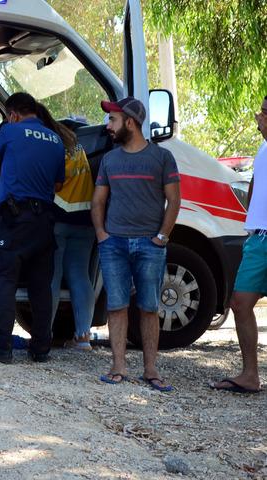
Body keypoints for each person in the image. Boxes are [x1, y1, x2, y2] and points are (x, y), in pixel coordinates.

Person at [91, 97, 181, 392]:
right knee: (116, 306)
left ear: (130, 123)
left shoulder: (162, 158)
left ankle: (151, 370)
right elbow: (98, 201)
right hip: (113, 244)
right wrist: (102, 235)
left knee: (148, 307)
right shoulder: (109, 160)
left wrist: (161, 238)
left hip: (149, 245)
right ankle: (118, 367)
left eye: (113, 120)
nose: (108, 126)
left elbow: (174, 201)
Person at [0, 92, 65, 364]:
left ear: (12, 114)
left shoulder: (10, 132)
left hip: (15, 218)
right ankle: (41, 348)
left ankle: (1, 345)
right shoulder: (56, 139)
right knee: (40, 286)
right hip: (45, 220)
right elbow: (59, 184)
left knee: (4, 279)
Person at [210, 95, 267, 394]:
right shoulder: (263, 147)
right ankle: (250, 375)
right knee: (240, 303)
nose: (260, 117)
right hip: (259, 238)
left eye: (265, 113)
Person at [38, 104, 97, 351]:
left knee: (52, 276)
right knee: (80, 276)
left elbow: (53, 183)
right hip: (85, 221)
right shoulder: (78, 146)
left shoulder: (52, 145)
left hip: (59, 219)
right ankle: (83, 337)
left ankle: (46, 334)